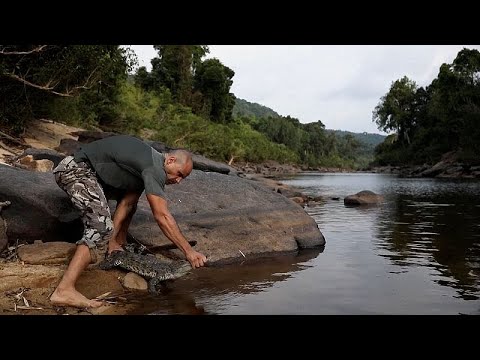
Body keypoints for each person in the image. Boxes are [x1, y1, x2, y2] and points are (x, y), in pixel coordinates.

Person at [49, 134, 207, 309]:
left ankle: (115, 244)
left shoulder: (145, 168)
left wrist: (113, 242)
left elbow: (127, 204)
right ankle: (64, 290)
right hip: (75, 170)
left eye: (182, 178)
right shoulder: (154, 168)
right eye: (179, 174)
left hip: (90, 175)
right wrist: (188, 251)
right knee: (101, 227)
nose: (178, 181)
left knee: (130, 207)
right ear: (170, 160)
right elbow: (162, 216)